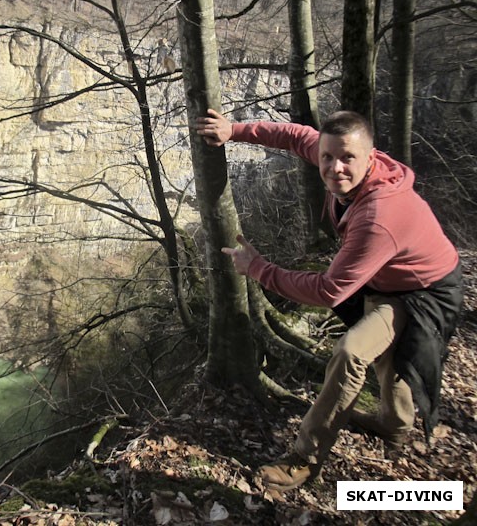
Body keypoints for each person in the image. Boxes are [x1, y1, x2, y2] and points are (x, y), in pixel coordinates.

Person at [192, 108, 463, 493]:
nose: (335, 167)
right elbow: (291, 134)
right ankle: (394, 426)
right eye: (327, 156)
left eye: (348, 158)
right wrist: (232, 130)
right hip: (388, 277)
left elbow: (328, 291)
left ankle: (305, 459)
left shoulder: (379, 215)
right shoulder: (335, 156)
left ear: (370, 157)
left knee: (353, 351)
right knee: (389, 355)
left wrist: (258, 269)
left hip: (424, 290)